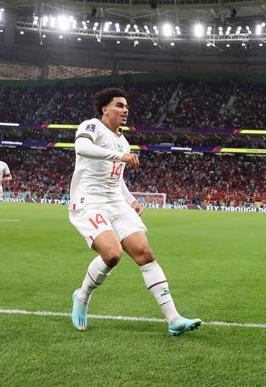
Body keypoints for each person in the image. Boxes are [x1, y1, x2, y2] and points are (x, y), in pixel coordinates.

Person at [69, 87, 201, 336]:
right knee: (112, 254)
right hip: (89, 202)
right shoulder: (92, 126)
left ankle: (174, 319)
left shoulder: (123, 140)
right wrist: (120, 156)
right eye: (119, 105)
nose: (125, 110)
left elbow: (116, 179)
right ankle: (82, 296)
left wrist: (131, 200)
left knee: (145, 254)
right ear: (104, 108)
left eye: (126, 106)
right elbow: (82, 149)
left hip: (116, 203)